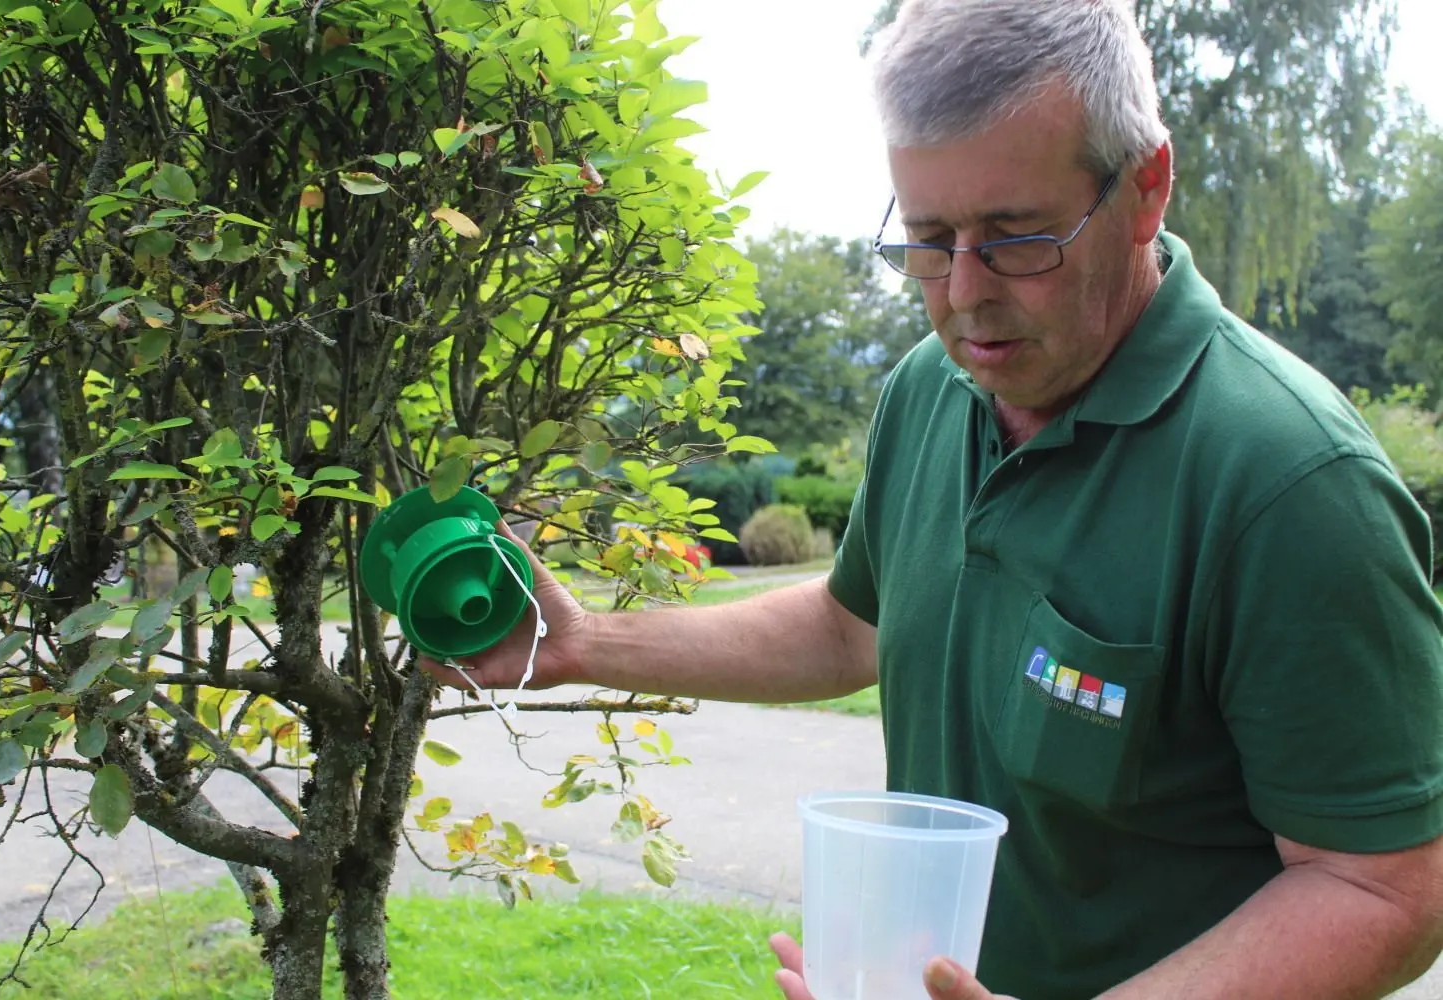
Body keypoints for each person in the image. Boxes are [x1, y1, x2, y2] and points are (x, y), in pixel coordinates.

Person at [423, 0, 1443, 996]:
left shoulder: (1292, 487)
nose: (963, 294)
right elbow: (848, 625)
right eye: (927, 237)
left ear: (1145, 190)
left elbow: (1387, 886)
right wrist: (587, 641)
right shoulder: (932, 388)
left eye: (1015, 237)